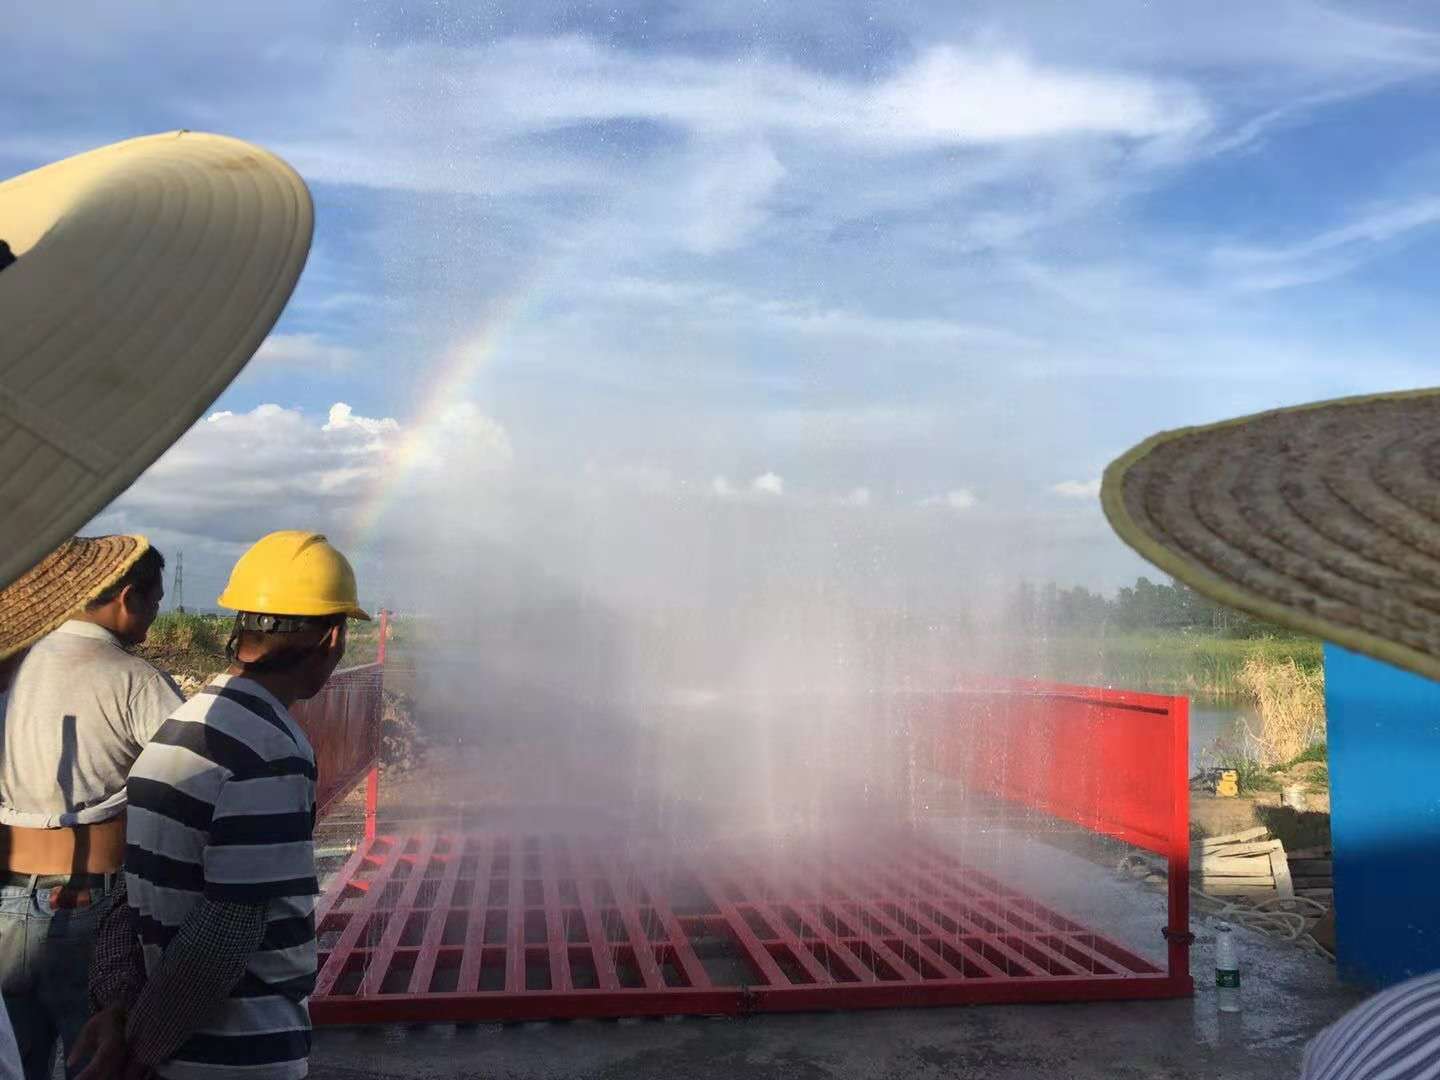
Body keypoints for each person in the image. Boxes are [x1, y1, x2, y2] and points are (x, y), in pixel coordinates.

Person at [78, 531, 369, 1080]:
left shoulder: (179, 727)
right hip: (239, 1054)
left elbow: (130, 890)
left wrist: (121, 1011)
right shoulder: (270, 753)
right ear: (333, 636)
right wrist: (139, 1053)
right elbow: (227, 933)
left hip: (172, 1042)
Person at [0, 536, 180, 1080]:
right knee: (103, 1060)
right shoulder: (133, 680)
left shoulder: (16, 671)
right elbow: (192, 779)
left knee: (16, 1061)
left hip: (6, 902)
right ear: (128, 598)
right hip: (90, 901)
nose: (152, 617)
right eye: (153, 603)